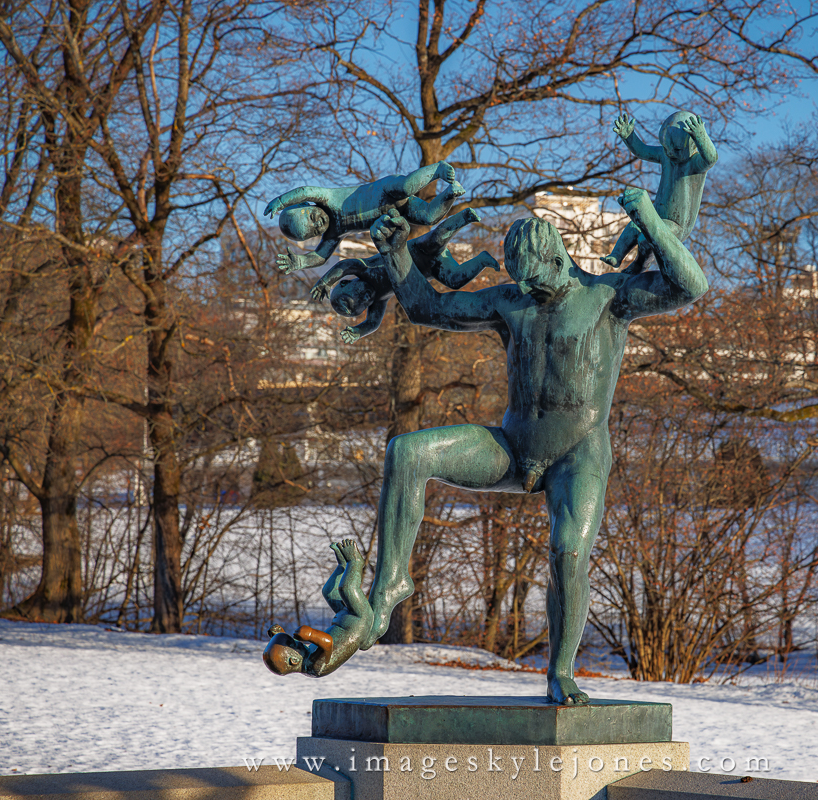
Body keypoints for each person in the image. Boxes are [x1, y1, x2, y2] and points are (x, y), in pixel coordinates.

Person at [354, 187, 707, 705]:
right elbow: (429, 308)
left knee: (567, 553)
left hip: (577, 455)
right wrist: (397, 252)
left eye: (535, 279)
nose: (526, 289)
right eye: (519, 280)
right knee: (407, 452)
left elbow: (691, 285)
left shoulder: (610, 298)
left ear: (557, 258)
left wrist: (650, 220)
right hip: (513, 448)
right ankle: (389, 587)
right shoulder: (510, 300)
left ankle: (560, 671)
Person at [309, 207, 499, 343]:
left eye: (357, 296)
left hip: (417, 251)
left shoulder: (364, 269)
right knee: (455, 280)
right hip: (430, 269)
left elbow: (345, 264)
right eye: (363, 303)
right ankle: (482, 260)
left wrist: (325, 282)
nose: (365, 298)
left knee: (437, 239)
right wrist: (359, 331)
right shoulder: (379, 300)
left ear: (346, 283)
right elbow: (373, 323)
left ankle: (463, 217)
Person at [263, 162, 465, 273]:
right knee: (429, 217)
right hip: (398, 210)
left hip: (385, 191)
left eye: (313, 217)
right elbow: (321, 256)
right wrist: (301, 262)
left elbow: (306, 190)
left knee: (406, 186)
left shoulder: (327, 198)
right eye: (315, 230)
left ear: (309, 205)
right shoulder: (334, 233)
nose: (320, 223)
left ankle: (437, 169)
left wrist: (281, 201)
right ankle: (451, 193)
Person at [600, 111, 717, 273]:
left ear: (693, 145)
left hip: (676, 224)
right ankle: (616, 256)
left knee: (645, 239)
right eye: (666, 148)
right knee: (634, 226)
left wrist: (701, 136)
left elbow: (711, 158)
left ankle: (640, 264)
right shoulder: (666, 156)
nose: (671, 153)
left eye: (676, 149)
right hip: (657, 214)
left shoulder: (695, 163)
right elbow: (642, 151)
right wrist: (629, 137)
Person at [262, 539, 372, 678]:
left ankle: (342, 566)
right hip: (358, 621)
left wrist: (278, 635)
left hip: (343, 619)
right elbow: (327, 643)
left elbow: (293, 646)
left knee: (328, 592)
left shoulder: (302, 657)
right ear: (294, 660)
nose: (296, 642)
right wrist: (311, 634)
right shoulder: (314, 667)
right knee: (346, 589)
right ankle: (355, 562)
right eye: (292, 644)